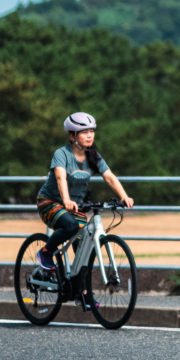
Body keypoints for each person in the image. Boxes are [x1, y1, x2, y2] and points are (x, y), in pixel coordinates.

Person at [30, 112, 133, 287]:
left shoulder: (94, 157)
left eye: (92, 131)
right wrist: (67, 200)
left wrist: (123, 196)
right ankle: (46, 253)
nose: (90, 135)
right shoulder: (62, 154)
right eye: (84, 132)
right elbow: (61, 177)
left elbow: (109, 177)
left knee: (84, 245)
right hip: (49, 202)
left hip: (75, 207)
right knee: (71, 225)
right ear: (72, 135)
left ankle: (82, 291)